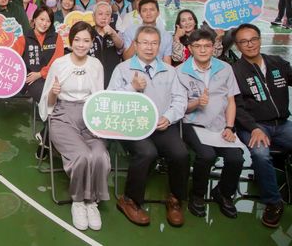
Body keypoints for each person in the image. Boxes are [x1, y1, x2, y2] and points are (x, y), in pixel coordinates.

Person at [108, 25, 188, 227]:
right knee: (147, 152)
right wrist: (132, 88)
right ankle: (129, 200)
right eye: (144, 43)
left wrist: (169, 118)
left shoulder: (170, 71)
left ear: (160, 46)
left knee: (180, 153)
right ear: (135, 44)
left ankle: (175, 200)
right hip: (131, 126)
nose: (149, 48)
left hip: (161, 125)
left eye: (154, 43)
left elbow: (180, 100)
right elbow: (111, 101)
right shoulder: (123, 69)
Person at [39, 21, 109, 231]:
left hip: (90, 115)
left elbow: (99, 96)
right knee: (81, 155)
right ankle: (79, 202)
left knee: (100, 156)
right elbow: (48, 101)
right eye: (77, 39)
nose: (81, 44)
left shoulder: (96, 65)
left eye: (86, 40)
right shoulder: (59, 64)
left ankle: (92, 202)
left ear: (92, 42)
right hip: (63, 115)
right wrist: (53, 91)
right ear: (71, 40)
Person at [176, 29, 243, 219]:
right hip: (193, 124)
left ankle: (223, 193)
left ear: (214, 47)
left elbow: (231, 101)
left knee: (236, 158)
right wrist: (197, 103)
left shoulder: (225, 68)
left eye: (207, 46)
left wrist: (230, 127)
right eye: (197, 46)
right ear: (190, 48)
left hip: (221, 125)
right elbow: (181, 108)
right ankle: (197, 195)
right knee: (206, 155)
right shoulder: (180, 72)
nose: (203, 50)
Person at [231, 23, 292, 228]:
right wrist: (253, 128)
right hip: (254, 126)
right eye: (244, 42)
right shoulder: (236, 71)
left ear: (260, 39)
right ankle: (273, 203)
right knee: (260, 153)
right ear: (238, 46)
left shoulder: (278, 63)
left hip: (283, 123)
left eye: (253, 39)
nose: (250, 45)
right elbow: (236, 107)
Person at [13, 7, 64, 105]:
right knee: (46, 96)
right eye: (42, 19)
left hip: (52, 77)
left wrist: (41, 74)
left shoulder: (56, 37)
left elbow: (57, 61)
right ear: (35, 19)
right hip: (32, 80)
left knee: (62, 95)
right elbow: (12, 58)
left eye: (48, 21)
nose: (44, 24)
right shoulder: (24, 38)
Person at [122, 0, 172, 64]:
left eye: (152, 10)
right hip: (134, 71)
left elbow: (167, 61)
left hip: (157, 71)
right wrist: (137, 40)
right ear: (139, 13)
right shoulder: (130, 31)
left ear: (158, 13)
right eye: (144, 10)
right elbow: (126, 58)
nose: (148, 13)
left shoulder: (166, 36)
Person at [90, 2, 124, 88]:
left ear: (110, 18)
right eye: (100, 14)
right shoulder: (88, 33)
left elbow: (121, 47)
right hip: (92, 78)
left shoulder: (116, 33)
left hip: (112, 77)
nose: (104, 17)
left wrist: (113, 33)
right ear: (93, 16)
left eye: (107, 14)